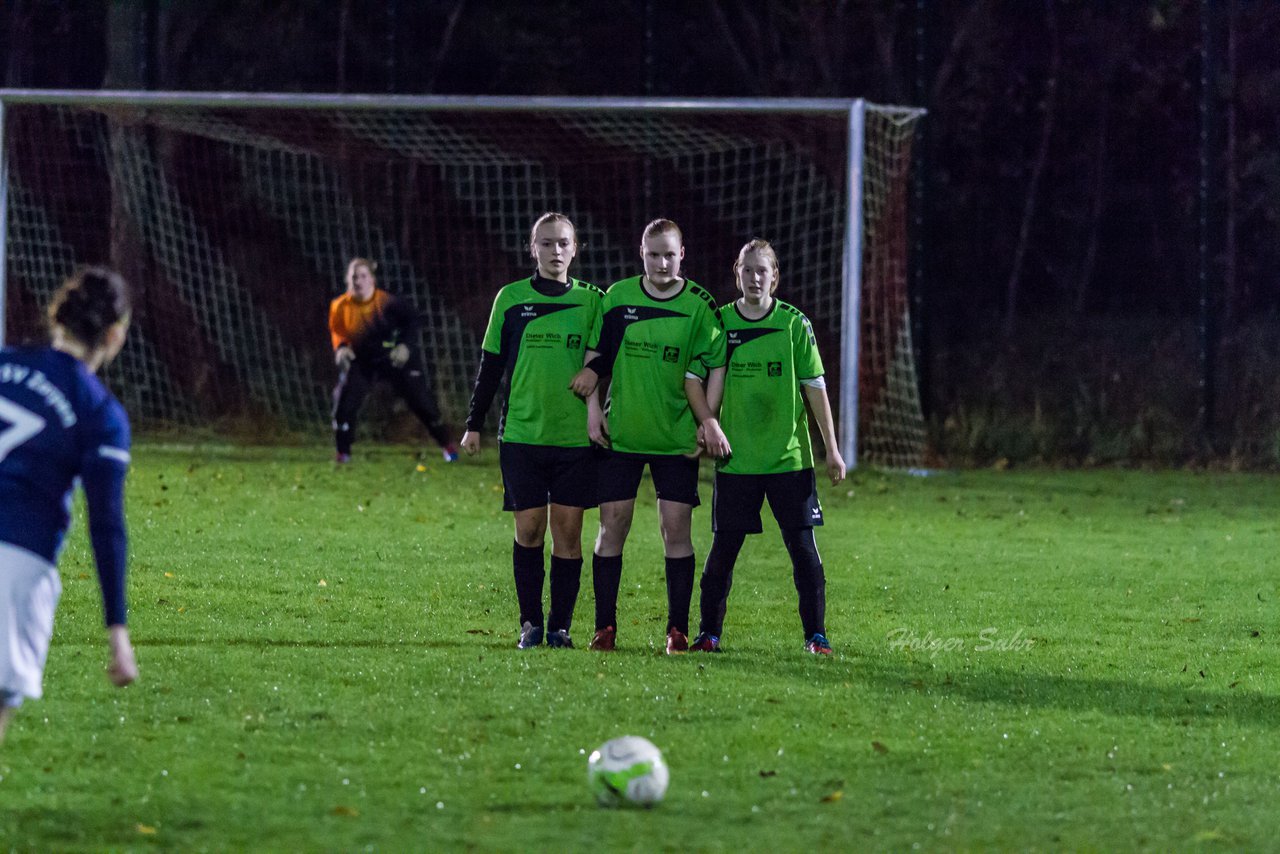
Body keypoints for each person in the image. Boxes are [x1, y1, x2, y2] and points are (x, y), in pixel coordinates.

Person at [570, 218, 730, 654]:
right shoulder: (618, 298)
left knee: (675, 530)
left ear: (683, 255)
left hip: (677, 437)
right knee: (612, 527)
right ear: (642, 253)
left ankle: (677, 630)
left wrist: (707, 420)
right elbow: (595, 356)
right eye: (654, 253)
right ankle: (605, 628)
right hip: (620, 434)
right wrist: (591, 412)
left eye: (670, 254)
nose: (662, 262)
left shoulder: (700, 304)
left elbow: (716, 363)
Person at [0, 267, 139, 742]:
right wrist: (117, 629)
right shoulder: (98, 411)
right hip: (15, 563)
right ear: (115, 335)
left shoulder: (3, 362)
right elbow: (106, 523)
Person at [690, 239, 846, 655]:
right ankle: (708, 634)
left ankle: (816, 636)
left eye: (763, 271)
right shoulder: (719, 322)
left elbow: (816, 389)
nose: (755, 278)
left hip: (788, 459)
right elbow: (695, 380)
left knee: (802, 549)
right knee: (724, 550)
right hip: (736, 459)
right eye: (748, 270)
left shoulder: (794, 325)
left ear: (774, 277)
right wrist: (702, 427)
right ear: (736, 274)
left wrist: (832, 448)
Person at [460, 213, 604, 649]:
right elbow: (491, 368)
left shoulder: (593, 300)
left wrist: (594, 372)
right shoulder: (511, 298)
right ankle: (530, 624)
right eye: (546, 244)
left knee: (568, 533)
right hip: (521, 434)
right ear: (533, 248)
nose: (555, 252)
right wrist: (473, 425)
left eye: (563, 244)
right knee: (528, 530)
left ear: (575, 249)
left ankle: (560, 627)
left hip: (575, 438)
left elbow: (610, 352)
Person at [329, 258, 458, 463]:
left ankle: (448, 447)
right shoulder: (339, 306)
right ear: (348, 280)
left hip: (393, 360)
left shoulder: (387, 302)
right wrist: (341, 349)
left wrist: (405, 346)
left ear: (372, 279)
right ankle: (343, 453)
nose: (358, 281)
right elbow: (338, 333)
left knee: (423, 403)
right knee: (343, 403)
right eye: (354, 276)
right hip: (363, 361)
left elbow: (413, 322)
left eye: (363, 276)